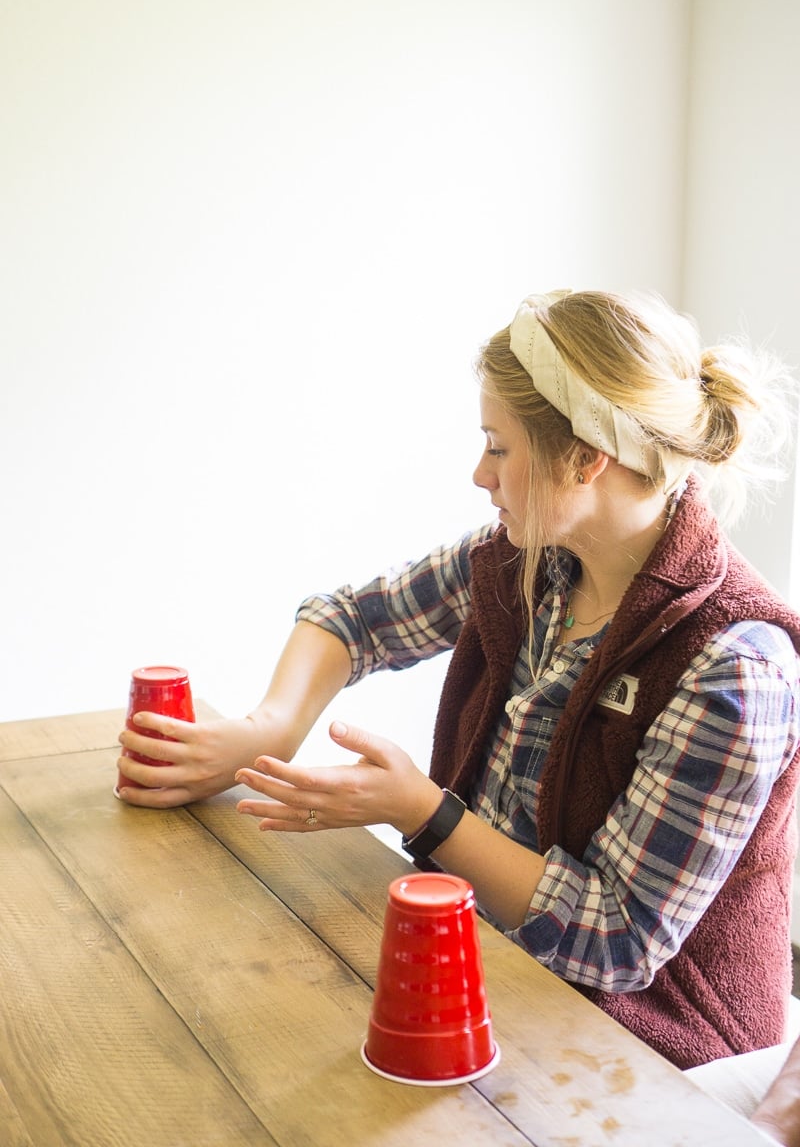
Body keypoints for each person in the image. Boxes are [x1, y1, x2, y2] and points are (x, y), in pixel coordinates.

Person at [117, 288, 800, 1074]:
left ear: (586, 458)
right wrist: (272, 726)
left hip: (655, 1048)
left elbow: (615, 939)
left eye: (498, 447)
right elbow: (352, 619)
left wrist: (423, 813)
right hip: (497, 966)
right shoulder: (530, 559)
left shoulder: (735, 670)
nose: (480, 474)